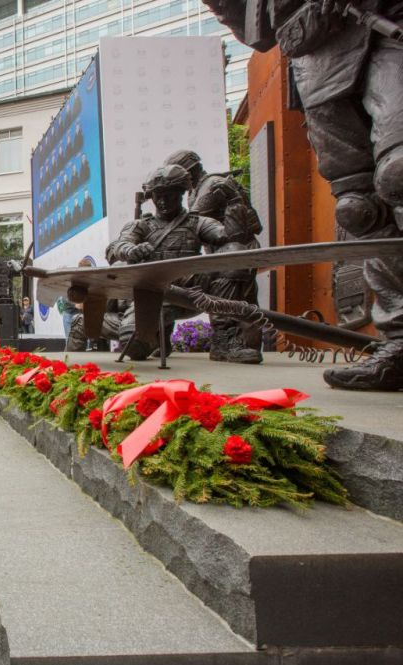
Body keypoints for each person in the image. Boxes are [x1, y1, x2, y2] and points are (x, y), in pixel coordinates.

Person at [201, 0, 403, 388]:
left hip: (382, 28)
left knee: (399, 174)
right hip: (316, 64)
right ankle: (400, 340)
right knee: (357, 210)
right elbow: (256, 31)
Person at [106, 165, 230, 361]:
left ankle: (227, 340)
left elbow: (225, 235)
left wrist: (234, 204)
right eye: (158, 196)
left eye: (169, 195)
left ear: (181, 193)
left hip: (186, 295)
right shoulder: (141, 226)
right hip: (149, 295)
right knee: (131, 341)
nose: (163, 201)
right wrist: (131, 250)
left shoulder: (197, 223)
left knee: (135, 339)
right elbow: (116, 246)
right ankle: (155, 337)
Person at [165, 149, 263, 363]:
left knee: (230, 300)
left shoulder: (211, 185)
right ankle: (234, 345)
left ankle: (235, 345)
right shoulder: (197, 189)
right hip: (224, 253)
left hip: (233, 252)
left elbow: (191, 222)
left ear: (189, 172)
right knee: (235, 300)